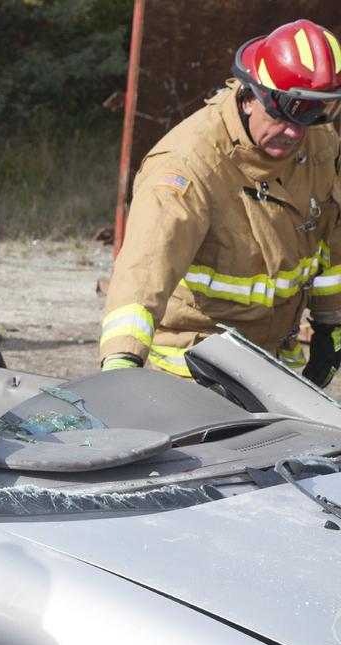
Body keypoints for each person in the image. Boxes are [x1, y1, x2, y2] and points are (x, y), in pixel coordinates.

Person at [100, 19, 341, 383]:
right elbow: (144, 270)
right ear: (250, 97)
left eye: (312, 112)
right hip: (196, 367)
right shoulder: (188, 166)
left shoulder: (319, 144)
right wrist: (120, 366)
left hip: (276, 363)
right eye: (287, 109)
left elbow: (332, 242)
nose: (296, 131)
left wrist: (330, 327)